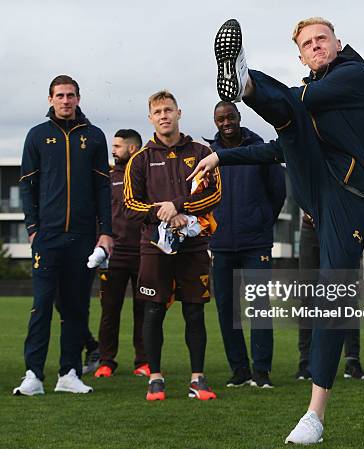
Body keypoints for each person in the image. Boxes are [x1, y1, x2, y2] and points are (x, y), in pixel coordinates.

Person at [191, 17, 364, 444]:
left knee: (332, 297)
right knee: (290, 126)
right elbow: (281, 146)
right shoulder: (309, 99)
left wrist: (258, 90)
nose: (316, 46)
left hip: (352, 196)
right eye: (307, 43)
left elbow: (301, 100)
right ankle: (244, 82)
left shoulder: (355, 75)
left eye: (322, 39)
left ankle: (315, 415)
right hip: (318, 184)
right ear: (299, 55)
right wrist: (222, 158)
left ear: (337, 43)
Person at [13, 75, 113, 396]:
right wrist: (32, 229)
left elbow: (102, 189)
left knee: (75, 308)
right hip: (47, 237)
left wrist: (105, 233)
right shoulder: (37, 136)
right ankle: (33, 375)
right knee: (42, 306)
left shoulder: (94, 137)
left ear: (79, 99)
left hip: (83, 238)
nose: (65, 101)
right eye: (60, 95)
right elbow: (27, 186)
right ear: (50, 99)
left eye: (70, 95)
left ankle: (69, 373)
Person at [123, 90, 221, 401]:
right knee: (153, 311)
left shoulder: (202, 151)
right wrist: (159, 211)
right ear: (150, 118)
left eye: (168, 110)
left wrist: (179, 207)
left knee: (195, 311)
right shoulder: (140, 159)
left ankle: (198, 379)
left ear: (179, 112)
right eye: (158, 112)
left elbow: (215, 194)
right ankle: (155, 377)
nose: (164, 115)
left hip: (193, 244)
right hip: (154, 247)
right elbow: (129, 204)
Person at [205, 101, 285, 388]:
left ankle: (261, 371)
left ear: (239, 117)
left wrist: (262, 220)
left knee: (259, 307)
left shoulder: (259, 149)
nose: (226, 122)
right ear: (215, 122)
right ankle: (239, 370)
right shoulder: (210, 154)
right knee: (227, 308)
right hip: (222, 243)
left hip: (256, 243)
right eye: (220, 119)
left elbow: (278, 192)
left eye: (230, 117)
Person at [94, 129, 149, 378]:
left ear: (132, 149)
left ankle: (144, 361)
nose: (113, 150)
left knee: (144, 310)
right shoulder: (106, 177)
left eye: (118, 146)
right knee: (110, 309)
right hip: (113, 254)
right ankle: (106, 361)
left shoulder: (145, 175)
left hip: (143, 252)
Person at [296, 212, 364, 381]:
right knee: (308, 297)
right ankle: (306, 361)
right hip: (311, 227)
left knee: (347, 296)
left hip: (342, 228)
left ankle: (352, 360)